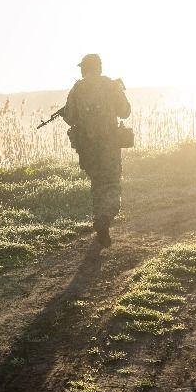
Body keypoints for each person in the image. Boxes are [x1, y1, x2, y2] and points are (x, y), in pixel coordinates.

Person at [61, 53, 132, 248]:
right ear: (99, 67)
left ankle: (100, 218)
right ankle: (105, 218)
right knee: (111, 183)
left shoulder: (77, 88)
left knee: (97, 184)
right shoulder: (110, 85)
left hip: (87, 147)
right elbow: (125, 112)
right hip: (109, 145)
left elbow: (70, 117)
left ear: (85, 69)